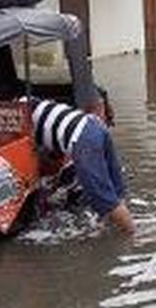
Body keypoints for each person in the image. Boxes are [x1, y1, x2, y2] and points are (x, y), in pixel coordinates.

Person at [27, 89, 135, 235]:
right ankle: (115, 224)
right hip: (94, 126)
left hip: (82, 138)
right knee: (115, 190)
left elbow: (45, 160)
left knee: (104, 198)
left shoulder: (19, 113)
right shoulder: (41, 105)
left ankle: (132, 235)